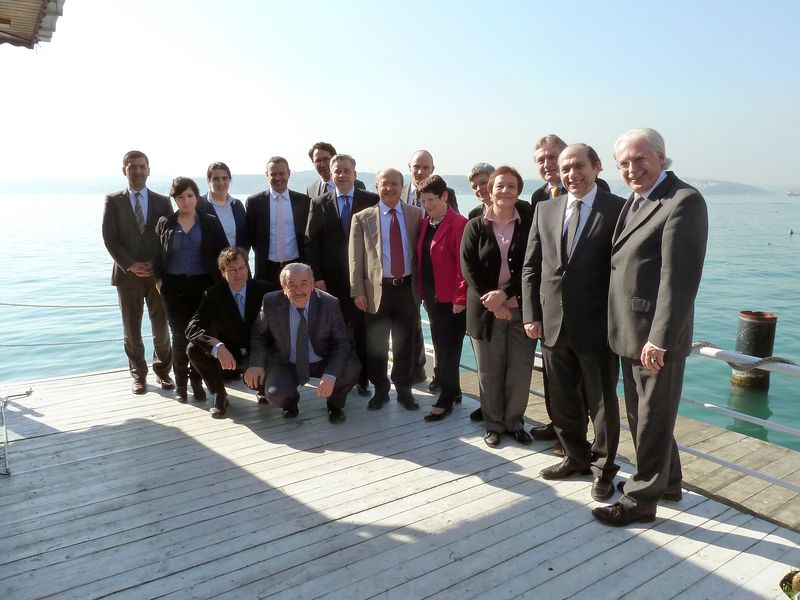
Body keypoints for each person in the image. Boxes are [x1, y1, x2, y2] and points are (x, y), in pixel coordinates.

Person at [592, 128, 708, 526]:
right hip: (628, 331)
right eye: (623, 163)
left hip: (655, 339)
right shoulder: (636, 201)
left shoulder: (683, 201)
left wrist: (660, 338)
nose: (631, 168)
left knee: (652, 419)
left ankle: (640, 501)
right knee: (644, 416)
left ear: (661, 157)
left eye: (639, 159)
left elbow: (680, 279)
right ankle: (670, 482)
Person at [522, 144, 625, 501]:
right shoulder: (544, 209)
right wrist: (531, 314)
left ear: (597, 167)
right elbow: (531, 267)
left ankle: (603, 470)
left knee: (601, 403)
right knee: (562, 399)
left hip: (597, 326)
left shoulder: (618, 209)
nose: (571, 174)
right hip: (552, 324)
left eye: (578, 166)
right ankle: (574, 457)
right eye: (565, 168)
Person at [527, 134, 609, 448]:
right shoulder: (540, 199)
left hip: (589, 316)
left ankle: (593, 450)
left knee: (592, 389)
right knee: (556, 383)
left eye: (553, 157)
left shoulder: (600, 197)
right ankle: (562, 429)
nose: (549, 165)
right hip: (552, 313)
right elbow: (535, 257)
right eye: (542, 160)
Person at [461, 166, 535, 448]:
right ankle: (493, 424)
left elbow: (531, 266)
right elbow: (468, 267)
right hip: (485, 310)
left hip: (520, 309)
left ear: (519, 191)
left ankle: (514, 422)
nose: (505, 191)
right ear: (489, 191)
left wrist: (503, 295)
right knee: (490, 371)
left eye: (512, 186)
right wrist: (492, 302)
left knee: (519, 370)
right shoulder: (475, 225)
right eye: (500, 186)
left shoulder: (528, 223)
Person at [244, 263, 359, 424]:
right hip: (286, 360)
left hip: (321, 359)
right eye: (292, 285)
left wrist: (331, 374)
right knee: (275, 393)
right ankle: (290, 403)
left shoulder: (330, 304)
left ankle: (335, 404)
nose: (298, 291)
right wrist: (256, 363)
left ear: (312, 285)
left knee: (351, 369)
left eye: (304, 284)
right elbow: (259, 335)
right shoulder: (270, 302)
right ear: (284, 287)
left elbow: (342, 343)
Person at [349, 168, 424, 411]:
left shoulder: (416, 214)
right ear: (377, 186)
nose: (390, 188)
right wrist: (357, 291)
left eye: (394, 183)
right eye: (385, 183)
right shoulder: (363, 217)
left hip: (406, 289)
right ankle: (380, 390)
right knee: (377, 344)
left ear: (402, 186)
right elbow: (355, 259)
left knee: (406, 342)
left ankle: (404, 389)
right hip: (376, 291)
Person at [305, 153, 379, 396]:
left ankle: (363, 379)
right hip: (331, 281)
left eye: (347, 170)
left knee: (362, 331)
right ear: (331, 174)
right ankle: (333, 377)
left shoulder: (372, 200)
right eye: (338, 171)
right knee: (334, 331)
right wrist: (317, 278)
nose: (342, 175)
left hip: (364, 280)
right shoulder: (319, 203)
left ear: (355, 174)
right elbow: (311, 243)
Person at [102, 150, 174, 395]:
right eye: (133, 166)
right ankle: (139, 376)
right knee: (131, 329)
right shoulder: (113, 200)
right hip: (127, 277)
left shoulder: (162, 201)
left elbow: (168, 237)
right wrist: (130, 264)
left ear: (149, 170)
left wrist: (156, 264)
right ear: (124, 170)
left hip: (156, 276)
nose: (138, 171)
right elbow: (110, 238)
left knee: (162, 328)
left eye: (142, 166)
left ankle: (164, 372)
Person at [155, 177, 228, 402]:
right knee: (178, 337)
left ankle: (198, 383)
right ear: (174, 199)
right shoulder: (165, 223)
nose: (185, 201)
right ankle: (181, 384)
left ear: (197, 197)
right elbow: (157, 255)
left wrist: (221, 285)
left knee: (198, 336)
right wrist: (159, 281)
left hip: (202, 286)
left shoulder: (209, 222)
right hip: (173, 286)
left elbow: (223, 253)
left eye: (189, 196)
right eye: (180, 197)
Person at [186, 247, 275, 418]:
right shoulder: (213, 294)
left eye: (242, 268)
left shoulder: (265, 290)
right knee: (193, 349)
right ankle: (220, 394)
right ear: (222, 272)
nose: (238, 273)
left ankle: (262, 388)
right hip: (229, 354)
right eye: (232, 270)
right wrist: (216, 347)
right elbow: (192, 328)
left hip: (259, 352)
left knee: (273, 390)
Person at [416, 175, 468, 421]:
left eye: (432, 199)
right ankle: (454, 388)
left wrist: (460, 297)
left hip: (452, 299)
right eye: (423, 200)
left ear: (445, 196)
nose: (427, 204)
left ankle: (446, 397)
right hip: (432, 297)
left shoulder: (459, 223)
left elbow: (463, 265)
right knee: (440, 344)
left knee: (449, 348)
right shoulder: (427, 223)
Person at [245, 156, 310, 287]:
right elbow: (250, 236)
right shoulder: (255, 202)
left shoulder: (304, 202)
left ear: (289, 173)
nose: (278, 178)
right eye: (273, 174)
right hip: (266, 268)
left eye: (281, 173)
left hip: (296, 266)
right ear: (267, 175)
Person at [199, 162, 247, 249]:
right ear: (209, 181)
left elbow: (246, 236)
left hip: (236, 261)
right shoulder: (199, 204)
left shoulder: (237, 205)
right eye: (216, 179)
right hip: (211, 261)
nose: (221, 183)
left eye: (224, 178)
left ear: (229, 180)